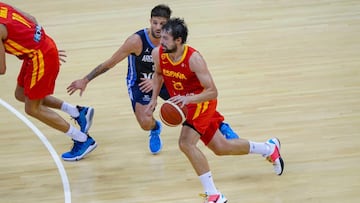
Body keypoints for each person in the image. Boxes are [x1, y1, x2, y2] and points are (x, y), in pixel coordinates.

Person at [66, 4, 238, 155]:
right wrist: (86, 79)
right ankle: (155, 128)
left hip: (165, 78)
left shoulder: (171, 41)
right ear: (150, 21)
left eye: (162, 24)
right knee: (145, 122)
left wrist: (161, 80)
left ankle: (221, 125)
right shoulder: (136, 41)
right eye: (154, 22)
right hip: (140, 83)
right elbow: (110, 63)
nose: (157, 27)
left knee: (193, 101)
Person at [147, 17, 284, 202]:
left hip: (201, 102)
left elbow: (213, 92)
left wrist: (188, 99)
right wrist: (154, 98)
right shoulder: (158, 54)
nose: (161, 41)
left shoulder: (194, 59)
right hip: (186, 105)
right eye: (161, 37)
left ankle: (214, 195)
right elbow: (158, 75)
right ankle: (269, 148)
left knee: (185, 143)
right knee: (221, 147)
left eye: (165, 38)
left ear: (178, 40)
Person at [0, 2, 96, 161]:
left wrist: (43, 54)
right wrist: (42, 47)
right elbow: (32, 19)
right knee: (21, 94)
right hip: (42, 47)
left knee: (32, 108)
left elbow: (1, 69)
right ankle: (78, 112)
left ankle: (83, 140)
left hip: (39, 56)